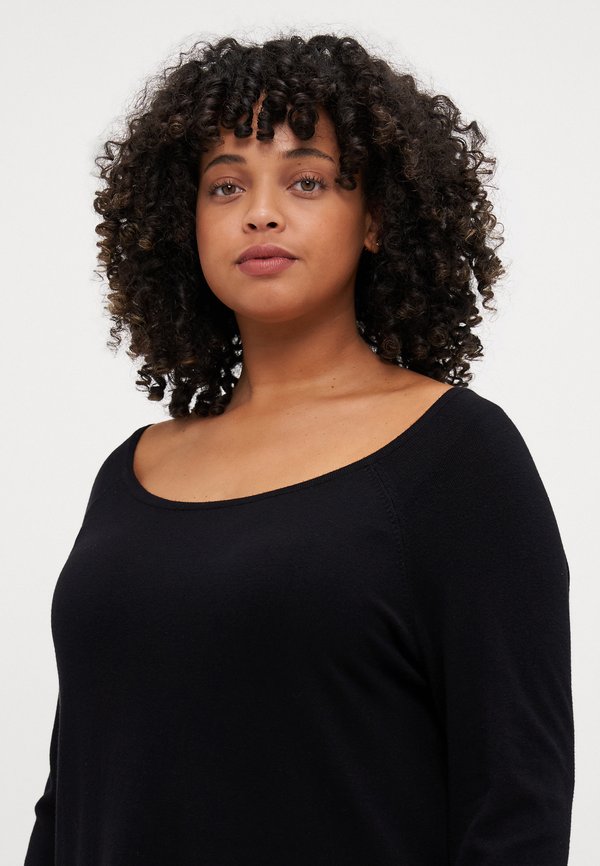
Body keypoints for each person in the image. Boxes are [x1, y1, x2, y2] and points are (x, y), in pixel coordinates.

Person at [24, 33, 574, 865]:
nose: (261, 211)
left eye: (306, 180)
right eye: (225, 186)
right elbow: (72, 792)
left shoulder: (457, 457)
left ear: (376, 218)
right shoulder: (132, 471)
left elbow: (517, 800)